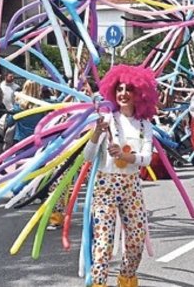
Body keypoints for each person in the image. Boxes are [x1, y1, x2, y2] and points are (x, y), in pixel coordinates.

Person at [83, 65, 157, 287]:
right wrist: (97, 133)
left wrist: (125, 156)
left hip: (131, 185)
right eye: (119, 89)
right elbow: (88, 156)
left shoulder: (145, 125)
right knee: (103, 243)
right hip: (105, 184)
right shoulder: (106, 120)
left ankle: (126, 278)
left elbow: (146, 158)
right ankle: (99, 283)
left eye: (129, 89)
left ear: (139, 94)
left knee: (136, 239)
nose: (123, 93)